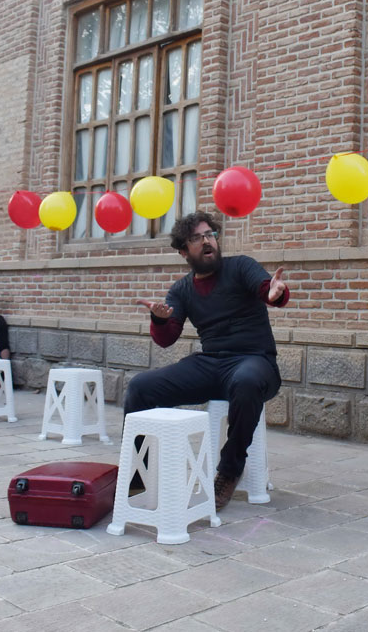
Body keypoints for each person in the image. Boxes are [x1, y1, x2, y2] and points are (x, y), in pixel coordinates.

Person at [124, 211, 289, 511]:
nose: (207, 241)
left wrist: (276, 293)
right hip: (212, 364)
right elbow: (167, 338)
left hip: (256, 362)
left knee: (247, 380)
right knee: (140, 388)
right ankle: (139, 475)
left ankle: (228, 471)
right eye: (197, 238)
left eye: (210, 234)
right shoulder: (182, 289)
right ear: (184, 251)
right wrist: (159, 319)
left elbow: (267, 289)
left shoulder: (240, 266)